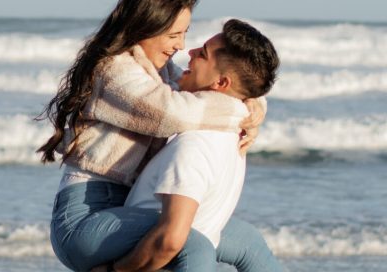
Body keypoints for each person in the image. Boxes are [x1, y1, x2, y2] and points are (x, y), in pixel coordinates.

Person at [38, 0, 275, 271]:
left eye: (185, 33)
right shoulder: (114, 71)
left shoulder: (160, 71)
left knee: (247, 241)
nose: (181, 45)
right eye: (174, 35)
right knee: (190, 242)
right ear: (145, 27)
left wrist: (253, 101)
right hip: (87, 218)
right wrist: (242, 111)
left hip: (130, 210)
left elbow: (216, 89)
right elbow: (173, 114)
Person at [98, 19, 282, 271]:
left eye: (202, 54)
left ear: (221, 83)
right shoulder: (234, 134)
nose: (190, 52)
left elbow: (171, 239)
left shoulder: (195, 145)